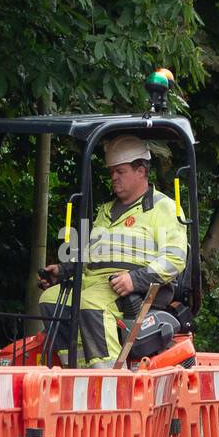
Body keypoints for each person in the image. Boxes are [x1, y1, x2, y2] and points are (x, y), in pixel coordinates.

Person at [38, 135, 188, 366]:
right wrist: (63, 270)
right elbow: (91, 253)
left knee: (91, 303)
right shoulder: (105, 210)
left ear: (141, 171)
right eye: (111, 172)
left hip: (141, 289)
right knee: (49, 299)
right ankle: (74, 369)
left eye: (120, 171)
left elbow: (174, 259)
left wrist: (134, 280)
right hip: (97, 283)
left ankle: (110, 377)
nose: (114, 177)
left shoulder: (163, 207)